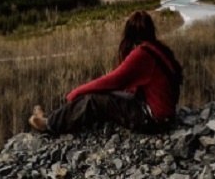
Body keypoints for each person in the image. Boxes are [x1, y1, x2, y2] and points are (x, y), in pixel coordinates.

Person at [28, 10, 183, 135]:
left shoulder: (143, 54)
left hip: (153, 119)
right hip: (163, 116)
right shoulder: (157, 49)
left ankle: (49, 124)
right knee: (109, 95)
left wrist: (77, 92)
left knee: (93, 100)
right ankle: (51, 117)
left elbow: (113, 80)